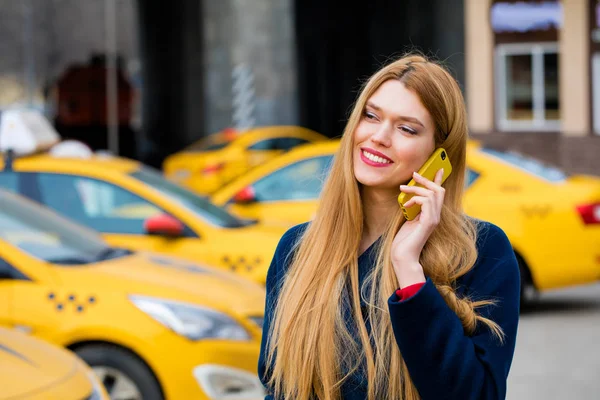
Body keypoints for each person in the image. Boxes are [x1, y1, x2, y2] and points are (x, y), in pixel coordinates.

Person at [258, 54, 520, 400]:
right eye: (371, 116)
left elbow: (476, 394)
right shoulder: (297, 248)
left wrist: (409, 270)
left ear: (438, 154)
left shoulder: (482, 252)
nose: (379, 136)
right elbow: (278, 385)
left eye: (406, 128)